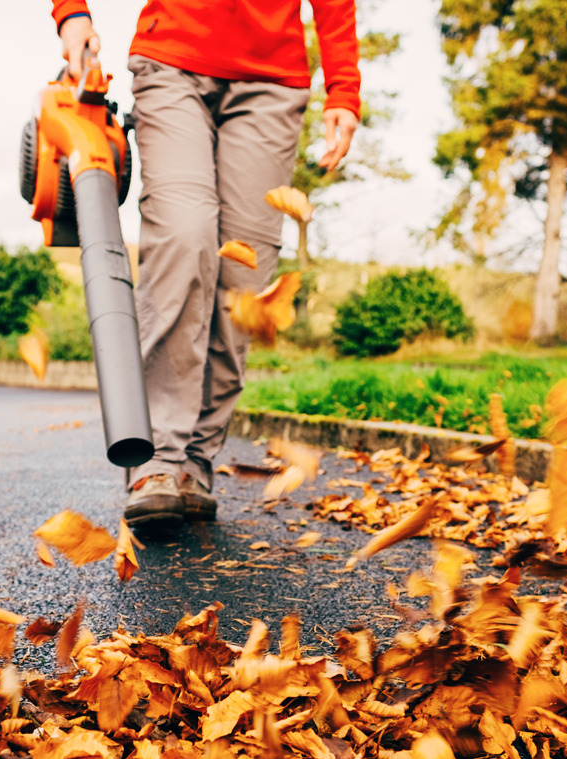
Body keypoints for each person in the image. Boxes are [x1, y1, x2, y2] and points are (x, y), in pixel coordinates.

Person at [51, 0, 361, 532]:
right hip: (173, 56)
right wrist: (72, 13)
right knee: (185, 236)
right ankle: (158, 460)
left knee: (246, 274)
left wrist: (344, 85)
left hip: (273, 79)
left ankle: (195, 461)